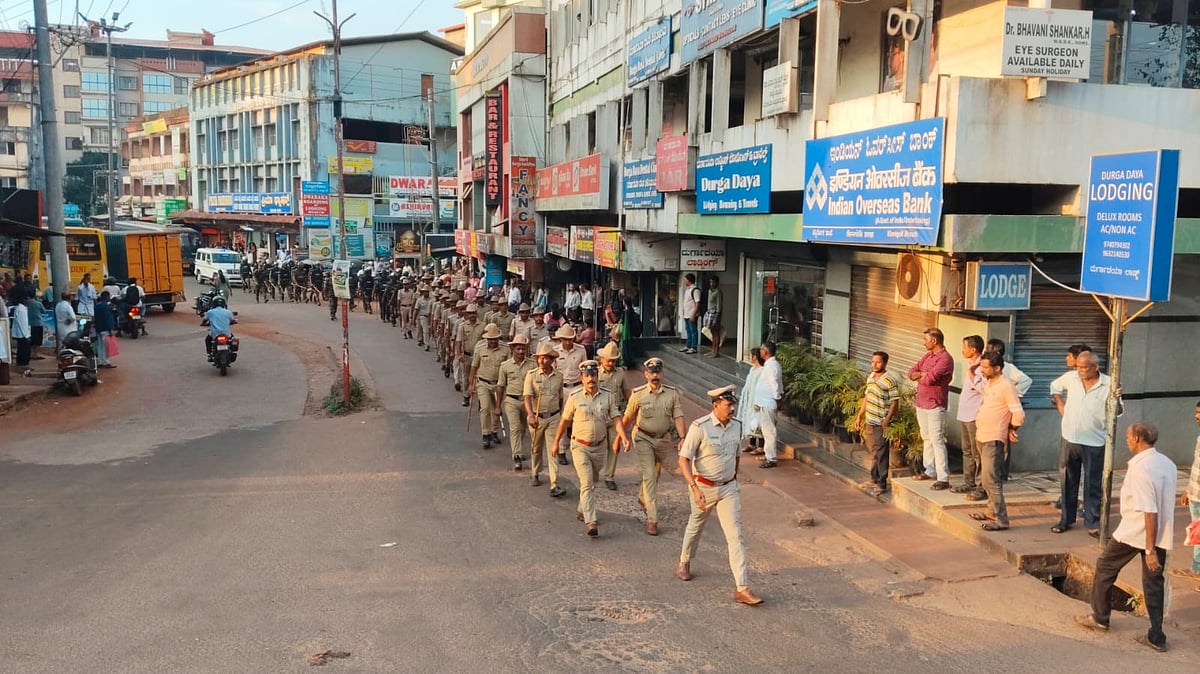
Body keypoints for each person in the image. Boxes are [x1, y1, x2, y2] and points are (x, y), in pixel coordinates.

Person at [1075, 422, 1175, 652]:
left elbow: (1149, 511)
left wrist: (1149, 550)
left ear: (1138, 438)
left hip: (1136, 531)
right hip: (1159, 532)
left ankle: (1100, 617)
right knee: (1153, 582)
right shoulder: (1166, 463)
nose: (1127, 440)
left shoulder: (1141, 468)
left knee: (1105, 566)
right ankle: (1157, 635)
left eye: (1129, 437)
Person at [676, 385, 763, 606]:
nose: (732, 408)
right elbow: (684, 459)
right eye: (728, 405)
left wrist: (732, 479)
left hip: (728, 489)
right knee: (695, 526)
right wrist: (694, 488)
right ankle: (684, 561)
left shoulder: (737, 427)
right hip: (703, 487)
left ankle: (742, 587)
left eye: (733, 404)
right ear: (716, 406)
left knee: (735, 536)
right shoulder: (700, 427)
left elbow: (736, 457)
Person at [552, 359, 628, 537]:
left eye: (593, 375)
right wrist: (556, 442)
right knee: (586, 482)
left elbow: (616, 418)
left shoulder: (608, 396)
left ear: (597, 376)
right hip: (579, 446)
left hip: (599, 447)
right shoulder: (575, 397)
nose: (590, 379)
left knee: (592, 481)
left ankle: (582, 508)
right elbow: (564, 421)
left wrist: (623, 436)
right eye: (587, 376)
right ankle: (591, 521)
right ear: (582, 378)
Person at [1050, 349, 1121, 536]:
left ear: (1095, 367)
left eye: (1084, 367)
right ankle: (1066, 519)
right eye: (1078, 367)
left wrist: (1117, 397)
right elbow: (1054, 387)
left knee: (1093, 483)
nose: (1080, 370)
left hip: (1095, 441)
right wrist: (1059, 404)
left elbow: (1119, 412)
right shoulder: (1071, 377)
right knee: (1068, 481)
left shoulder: (1109, 384)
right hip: (1070, 438)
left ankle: (1093, 521)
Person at [619, 356, 685, 536]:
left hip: (663, 440)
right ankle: (652, 519)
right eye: (651, 372)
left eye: (658, 372)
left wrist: (683, 437)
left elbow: (678, 416)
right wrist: (620, 437)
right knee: (649, 475)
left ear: (662, 373)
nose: (655, 375)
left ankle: (643, 498)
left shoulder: (672, 394)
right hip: (642, 438)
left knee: (656, 473)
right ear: (645, 374)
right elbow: (627, 417)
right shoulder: (638, 394)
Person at [968, 351, 1025, 532]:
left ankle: (1001, 519)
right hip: (982, 435)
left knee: (992, 481)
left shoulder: (1006, 386)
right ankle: (991, 512)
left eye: (986, 367)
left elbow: (1019, 415)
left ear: (997, 368)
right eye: (982, 367)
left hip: (994, 438)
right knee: (985, 479)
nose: (982, 370)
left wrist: (1011, 429)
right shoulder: (990, 383)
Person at [908, 328, 954, 490]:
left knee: (937, 440)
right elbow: (911, 372)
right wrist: (923, 373)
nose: (924, 342)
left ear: (934, 341)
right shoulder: (927, 356)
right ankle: (930, 469)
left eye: (925, 339)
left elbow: (930, 379)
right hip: (921, 402)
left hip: (935, 404)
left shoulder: (945, 359)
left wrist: (922, 375)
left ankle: (943, 476)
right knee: (926, 437)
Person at [855, 351, 900, 496]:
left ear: (885, 363)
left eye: (878, 362)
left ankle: (882, 483)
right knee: (873, 451)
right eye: (872, 362)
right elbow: (867, 398)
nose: (874, 365)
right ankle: (874, 478)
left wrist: (887, 420)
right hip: (870, 421)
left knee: (881, 453)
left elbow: (894, 403)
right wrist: (859, 416)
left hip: (881, 423)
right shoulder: (871, 377)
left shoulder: (890, 381)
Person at [524, 342, 565, 493]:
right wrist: (530, 415)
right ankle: (535, 472)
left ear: (552, 360)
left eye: (545, 358)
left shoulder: (559, 377)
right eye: (539, 358)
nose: (541, 361)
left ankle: (554, 483)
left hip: (553, 417)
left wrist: (559, 415)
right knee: (536, 447)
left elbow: (560, 398)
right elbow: (527, 397)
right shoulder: (531, 375)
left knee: (553, 449)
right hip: (537, 418)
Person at [951, 336, 987, 501]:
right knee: (966, 450)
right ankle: (968, 481)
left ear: (973, 350)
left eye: (965, 347)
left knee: (977, 452)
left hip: (974, 415)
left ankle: (981, 485)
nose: (962, 350)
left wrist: (973, 374)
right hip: (964, 414)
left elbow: (983, 389)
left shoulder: (981, 367)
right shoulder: (970, 365)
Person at [496, 333, 536, 472]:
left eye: (523, 349)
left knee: (524, 429)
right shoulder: (505, 366)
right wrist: (498, 406)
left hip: (527, 402)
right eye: (518, 349)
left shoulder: (533, 364)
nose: (520, 352)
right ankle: (517, 456)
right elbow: (501, 386)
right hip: (511, 400)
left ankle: (522, 451)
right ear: (512, 349)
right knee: (515, 428)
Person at [470, 323, 509, 449]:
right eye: (490, 339)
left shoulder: (506, 349)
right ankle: (485, 434)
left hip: (499, 384)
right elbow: (473, 367)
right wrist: (471, 385)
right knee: (485, 408)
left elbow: (509, 367)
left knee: (496, 409)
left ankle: (494, 431)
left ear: (498, 338)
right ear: (486, 338)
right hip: (483, 382)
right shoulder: (480, 348)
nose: (492, 341)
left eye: (495, 338)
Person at [595, 342, 627, 491]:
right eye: (608, 360)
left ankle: (609, 476)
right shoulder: (595, 373)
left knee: (614, 447)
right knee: (596, 447)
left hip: (615, 416)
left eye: (613, 360)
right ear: (601, 359)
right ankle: (594, 473)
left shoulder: (621, 373)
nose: (611, 363)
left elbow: (627, 392)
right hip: (599, 415)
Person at [1175, 401, 1200, 583]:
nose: (1196, 417)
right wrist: (1187, 491)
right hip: (1195, 494)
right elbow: (1196, 467)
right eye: (1196, 412)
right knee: (1196, 534)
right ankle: (1196, 568)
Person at [757, 341, 783, 469]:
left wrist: (777, 397)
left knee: (769, 431)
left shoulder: (770, 367)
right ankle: (769, 455)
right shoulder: (773, 365)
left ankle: (771, 458)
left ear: (766, 352)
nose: (760, 351)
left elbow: (775, 385)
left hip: (768, 402)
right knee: (767, 430)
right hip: (766, 402)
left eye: (761, 349)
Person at [738, 349, 766, 456]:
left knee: (758, 422)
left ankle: (761, 446)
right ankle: (752, 443)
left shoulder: (762, 371)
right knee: (750, 420)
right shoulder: (753, 369)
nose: (749, 357)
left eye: (751, 355)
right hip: (749, 399)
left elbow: (761, 387)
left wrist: (759, 401)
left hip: (757, 399)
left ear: (755, 357)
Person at [92, 291, 117, 368]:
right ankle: (105, 361)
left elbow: (94, 317)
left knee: (100, 345)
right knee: (106, 346)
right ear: (106, 297)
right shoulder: (106, 306)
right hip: (105, 328)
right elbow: (107, 319)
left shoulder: (97, 306)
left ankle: (100, 361)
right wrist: (110, 329)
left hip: (99, 328)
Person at [680, 274, 700, 354]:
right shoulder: (687, 290)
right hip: (686, 314)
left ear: (689, 280)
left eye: (685, 279)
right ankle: (688, 345)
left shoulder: (695, 290)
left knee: (693, 330)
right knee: (688, 330)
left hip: (692, 314)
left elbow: (697, 303)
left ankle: (693, 347)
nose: (684, 281)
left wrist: (693, 314)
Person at [704, 276, 723, 358]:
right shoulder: (709, 291)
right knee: (712, 332)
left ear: (717, 283)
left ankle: (716, 351)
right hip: (709, 312)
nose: (712, 284)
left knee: (716, 332)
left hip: (715, 313)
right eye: (711, 282)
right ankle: (712, 350)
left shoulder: (718, 292)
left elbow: (719, 305)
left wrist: (716, 317)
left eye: (713, 282)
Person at [10, 298, 32, 366]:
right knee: (24, 351)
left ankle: (21, 363)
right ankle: (23, 365)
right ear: (24, 300)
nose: (29, 301)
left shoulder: (21, 308)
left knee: (21, 350)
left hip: (22, 333)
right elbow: (22, 323)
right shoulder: (21, 310)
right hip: (23, 334)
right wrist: (26, 335)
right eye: (27, 299)